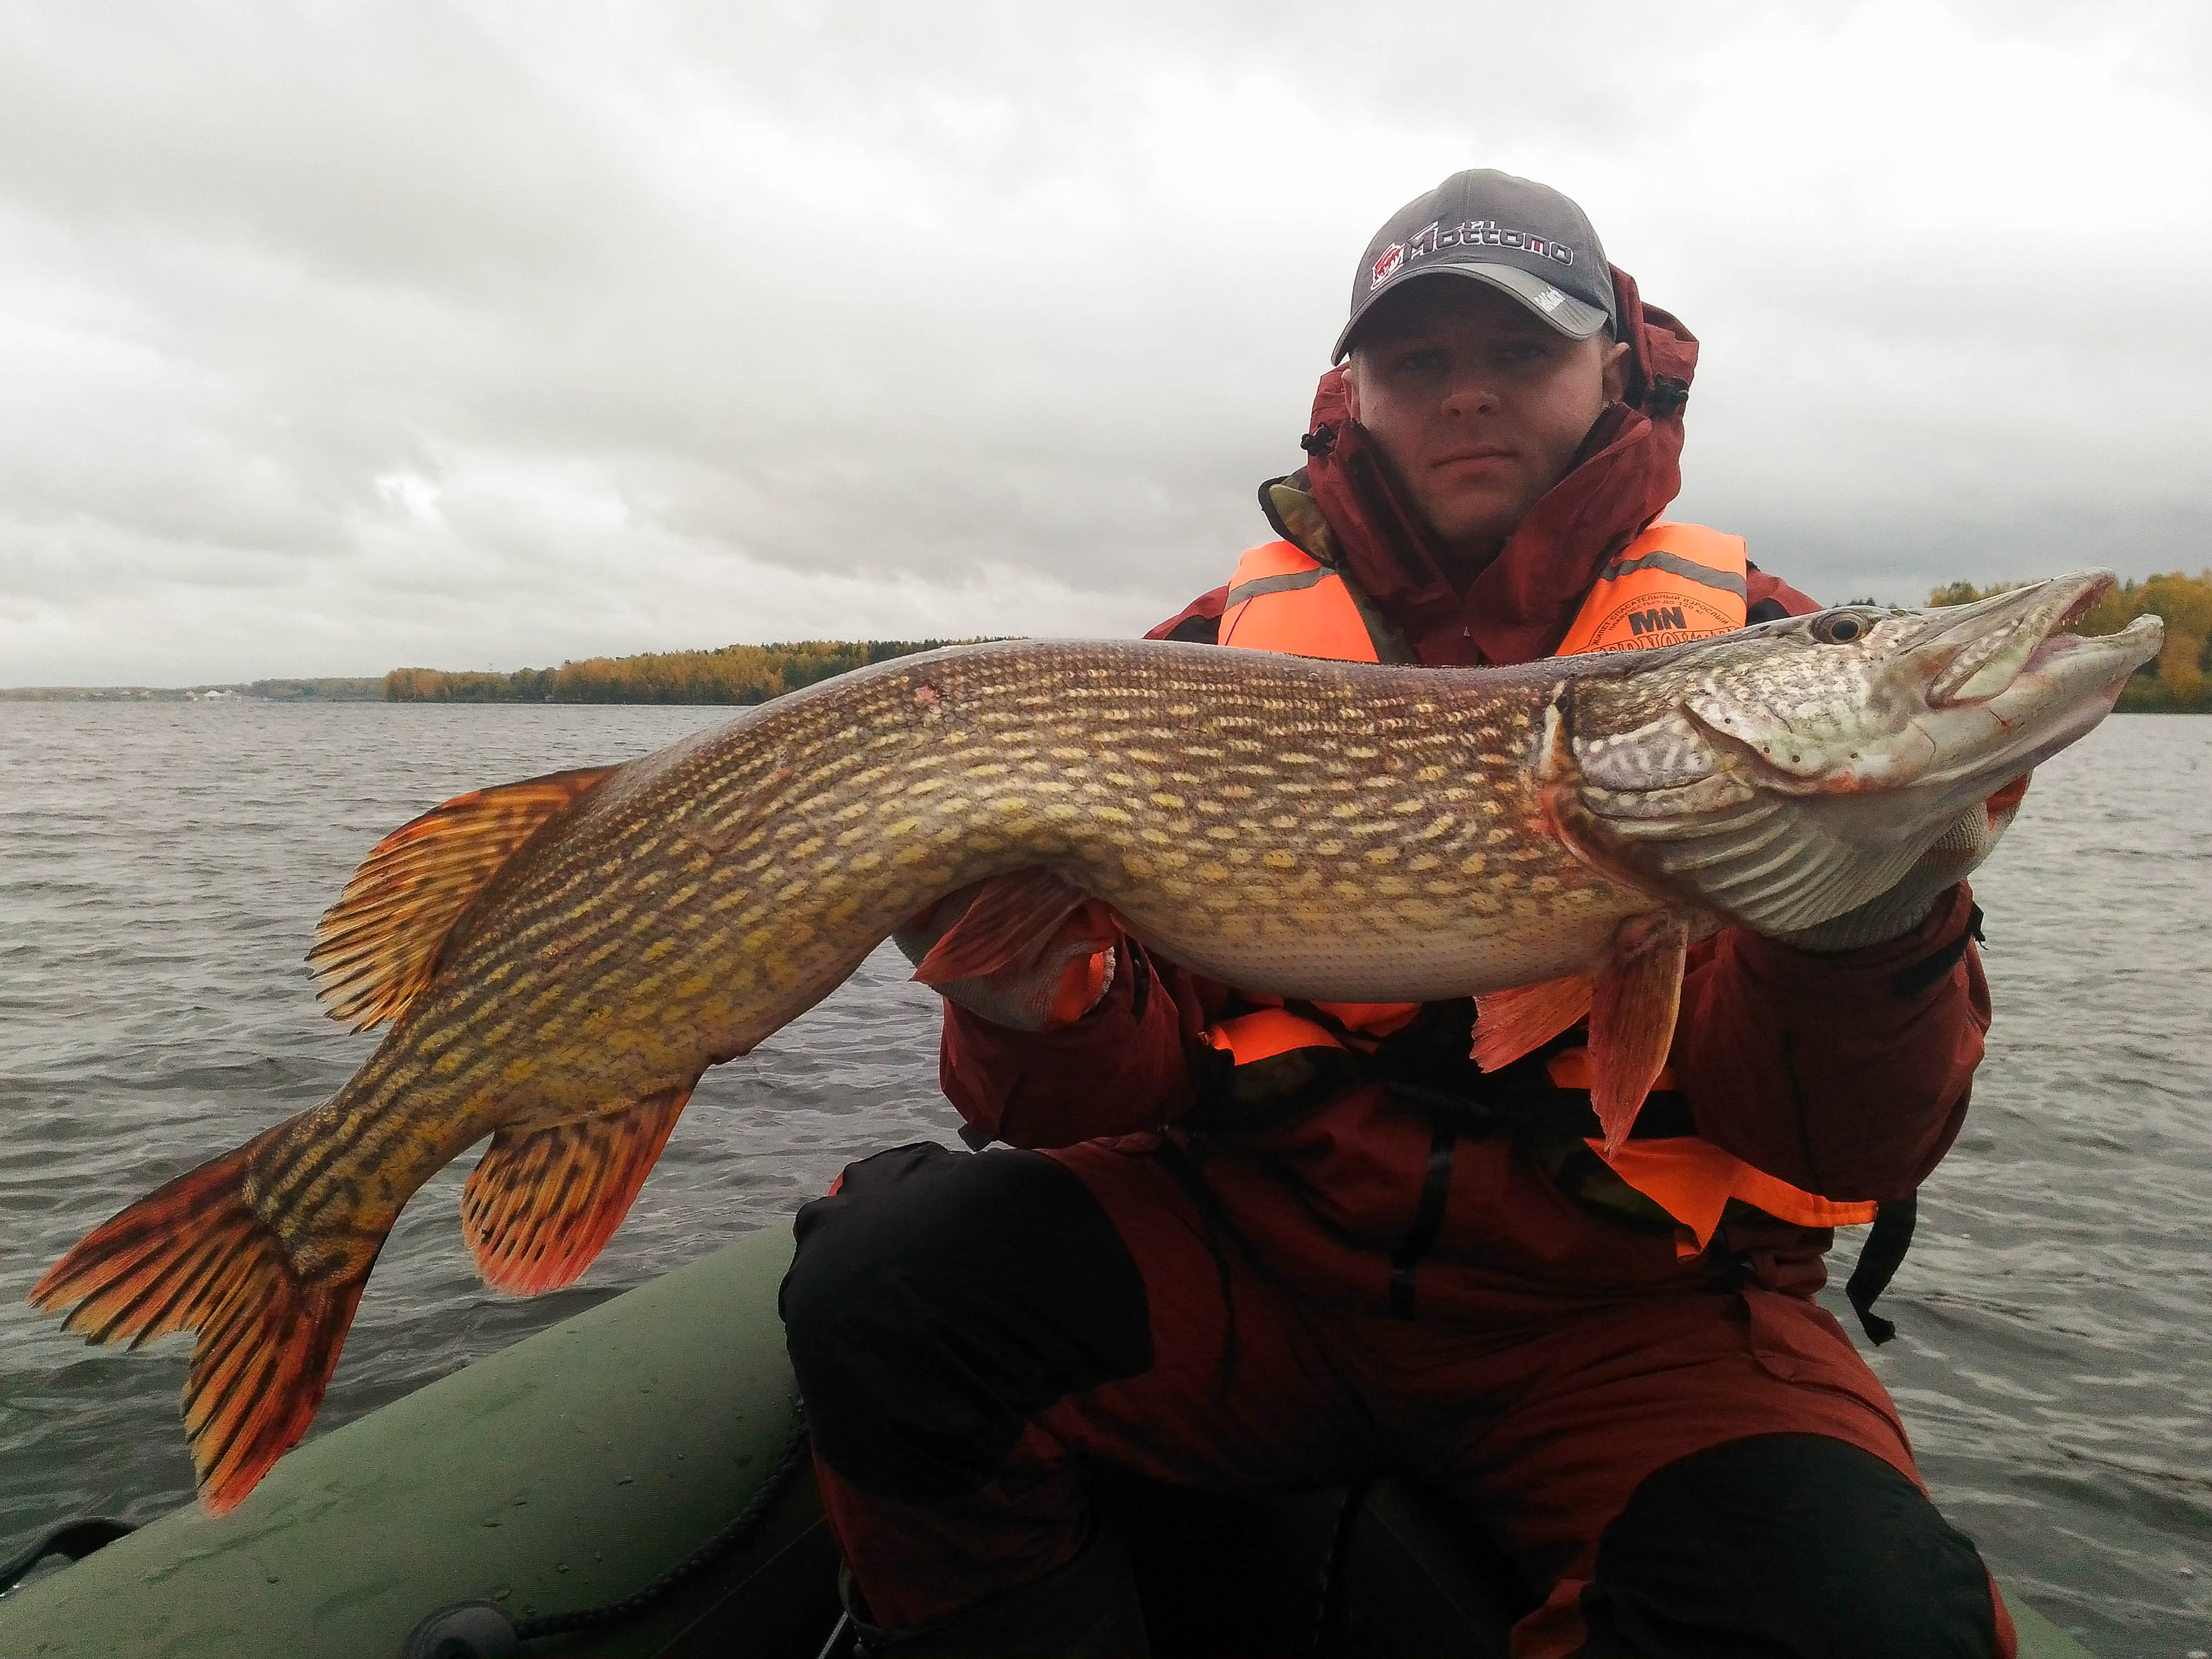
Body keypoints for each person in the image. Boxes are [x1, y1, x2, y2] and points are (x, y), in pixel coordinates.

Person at [780, 169, 2016, 1657]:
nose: (1468, 399)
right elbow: (1117, 1087)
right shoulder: (1203, 668)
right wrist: (1024, 997)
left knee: (1862, 1620)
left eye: (1520, 354)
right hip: (1268, 1261)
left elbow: (1850, 1148)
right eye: (1419, 363)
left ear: (1614, 368)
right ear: (1353, 390)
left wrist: (1872, 918)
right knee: (888, 1290)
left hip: (1633, 1319)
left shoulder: (1749, 652)